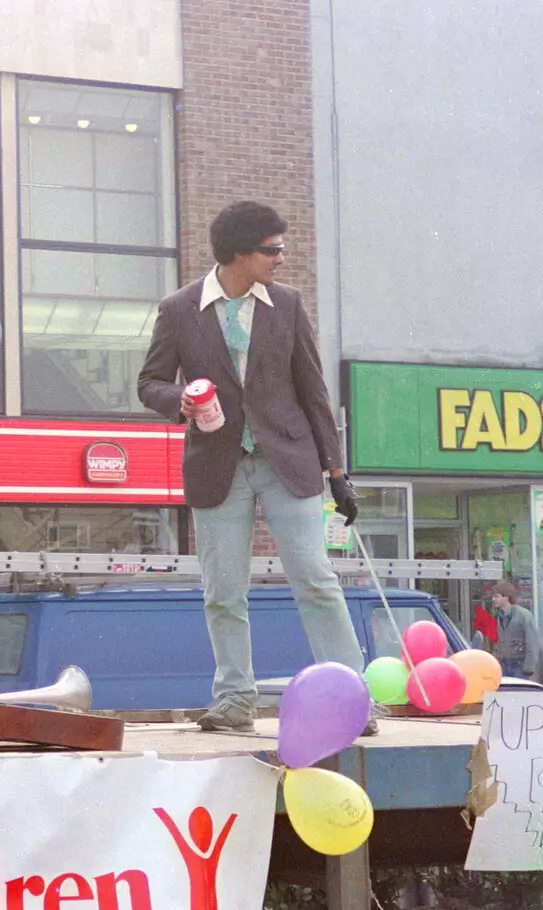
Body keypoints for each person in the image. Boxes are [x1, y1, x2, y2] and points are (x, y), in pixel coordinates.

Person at [137, 200, 369, 734]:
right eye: (272, 250)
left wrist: (337, 472)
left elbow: (313, 390)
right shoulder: (179, 309)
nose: (281, 259)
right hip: (217, 464)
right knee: (222, 589)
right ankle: (235, 700)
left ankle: (350, 699)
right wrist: (183, 402)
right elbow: (149, 384)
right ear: (238, 252)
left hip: (288, 457)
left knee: (315, 578)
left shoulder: (286, 303)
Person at [491, 581, 543, 682]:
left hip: (520, 664)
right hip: (503, 664)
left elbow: (532, 643)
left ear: (506, 597)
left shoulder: (524, 616)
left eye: (496, 596)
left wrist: (528, 668)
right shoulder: (499, 616)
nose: (493, 599)